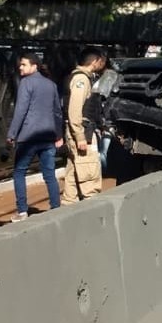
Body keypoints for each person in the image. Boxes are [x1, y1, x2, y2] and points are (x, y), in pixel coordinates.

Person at [6, 53, 64, 221]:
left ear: (34, 66)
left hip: (28, 137)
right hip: (48, 136)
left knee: (19, 172)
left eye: (24, 64)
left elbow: (20, 110)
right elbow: (57, 112)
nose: (20, 67)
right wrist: (58, 134)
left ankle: (22, 211)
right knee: (49, 173)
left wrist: (12, 134)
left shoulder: (26, 83)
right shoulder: (51, 85)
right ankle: (55, 208)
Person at [61, 46, 108, 205]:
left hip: (78, 131)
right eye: (102, 61)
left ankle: (68, 206)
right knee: (89, 176)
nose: (103, 64)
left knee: (73, 175)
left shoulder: (80, 77)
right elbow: (75, 111)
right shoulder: (82, 79)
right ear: (94, 61)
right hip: (83, 132)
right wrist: (80, 136)